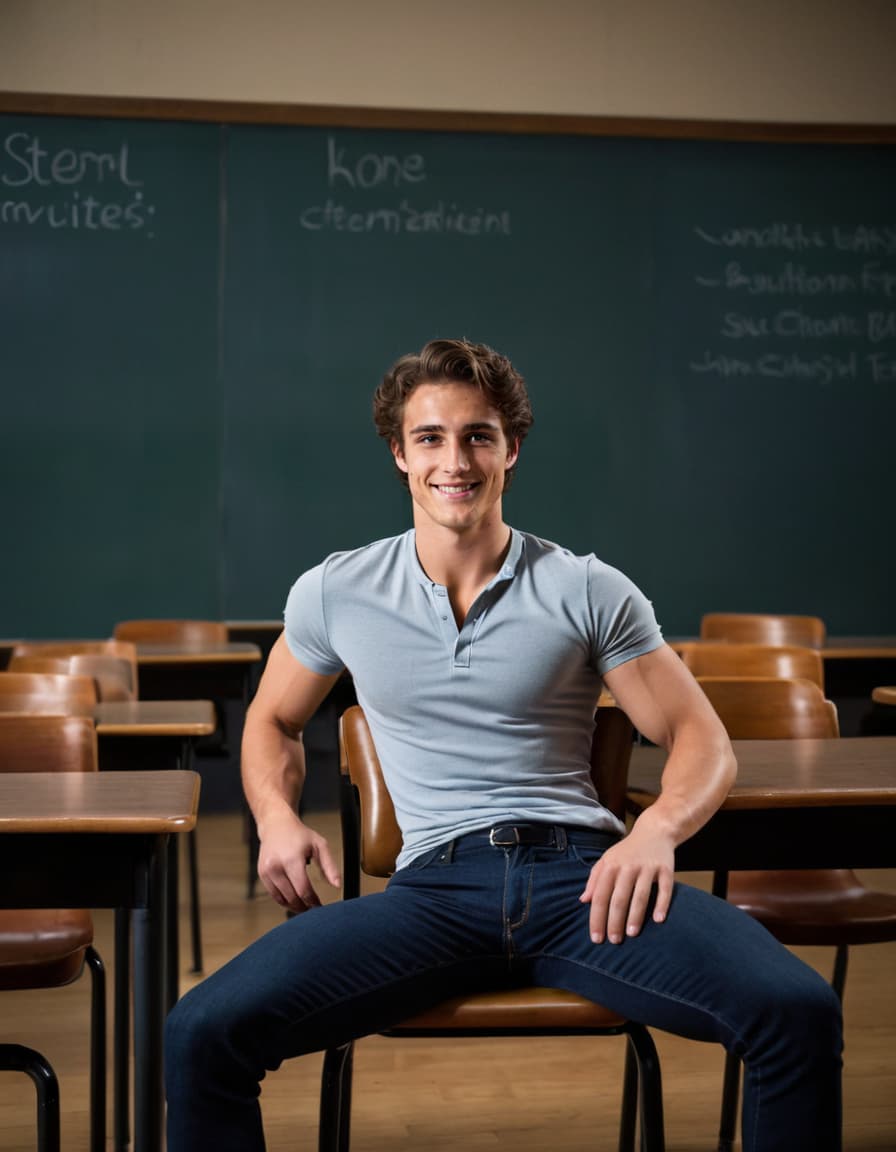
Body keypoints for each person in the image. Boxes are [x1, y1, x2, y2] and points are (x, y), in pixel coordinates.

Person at [165, 338, 842, 1151]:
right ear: (399, 454)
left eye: (478, 435)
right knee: (200, 1030)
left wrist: (656, 831)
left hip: (587, 887)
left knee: (798, 1013)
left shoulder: (588, 587)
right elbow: (273, 721)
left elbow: (700, 735)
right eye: (430, 438)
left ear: (510, 448)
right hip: (432, 894)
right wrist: (275, 815)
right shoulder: (336, 591)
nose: (456, 460)